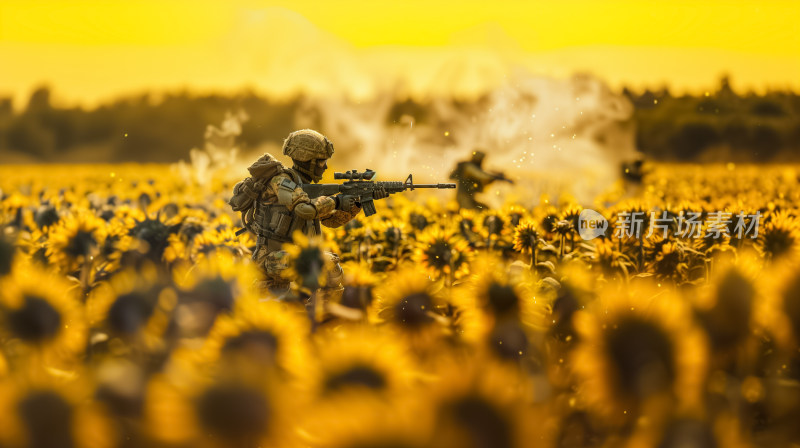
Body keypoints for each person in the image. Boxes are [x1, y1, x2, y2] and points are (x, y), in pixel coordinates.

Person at [230, 129, 388, 299]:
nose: (325, 167)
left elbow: (332, 221)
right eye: (321, 162)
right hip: (270, 258)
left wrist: (358, 202)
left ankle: (327, 314)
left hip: (295, 255)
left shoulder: (303, 188)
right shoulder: (281, 182)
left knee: (332, 270)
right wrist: (336, 201)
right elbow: (305, 210)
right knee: (314, 266)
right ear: (307, 160)